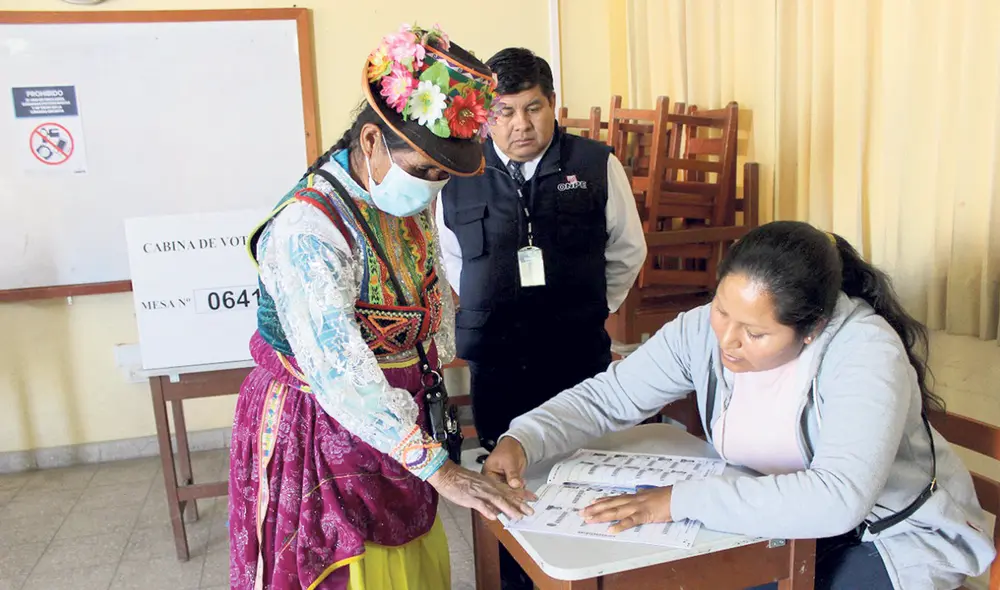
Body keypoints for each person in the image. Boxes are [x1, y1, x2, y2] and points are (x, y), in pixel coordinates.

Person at [484, 221, 996, 590]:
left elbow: (839, 499)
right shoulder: (701, 330)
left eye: (755, 333)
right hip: (773, 517)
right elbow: (610, 397)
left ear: (811, 328)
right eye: (722, 311)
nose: (728, 341)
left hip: (888, 534)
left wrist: (677, 500)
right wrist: (524, 437)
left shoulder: (863, 351)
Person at [228, 24, 533, 590]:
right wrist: (438, 466)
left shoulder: (397, 195)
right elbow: (339, 374)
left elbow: (433, 294)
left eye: (442, 177)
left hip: (401, 423)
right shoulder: (307, 231)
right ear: (370, 141)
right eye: (422, 171)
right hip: (320, 422)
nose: (429, 190)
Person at [436, 47, 646, 452]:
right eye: (505, 112)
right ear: (486, 116)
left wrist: (595, 307)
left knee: (583, 461)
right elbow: (452, 256)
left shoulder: (595, 164)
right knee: (503, 461)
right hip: (495, 354)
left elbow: (627, 248)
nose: (521, 125)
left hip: (574, 350)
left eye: (533, 108)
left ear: (552, 103)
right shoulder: (460, 172)